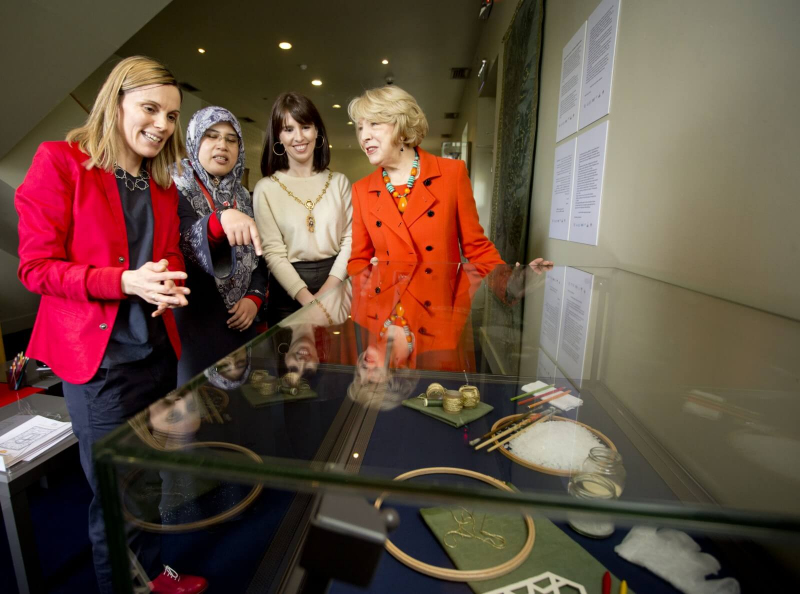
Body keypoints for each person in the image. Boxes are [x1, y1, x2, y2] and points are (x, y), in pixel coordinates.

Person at [15, 56, 206, 594]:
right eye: (150, 109)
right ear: (116, 101)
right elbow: (35, 269)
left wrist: (167, 281)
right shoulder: (60, 162)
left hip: (155, 354)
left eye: (171, 115)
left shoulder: (162, 183)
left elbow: (167, 254)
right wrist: (124, 282)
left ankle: (150, 573)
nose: (162, 125)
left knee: (148, 480)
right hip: (97, 366)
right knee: (118, 494)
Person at [346, 85, 553, 277]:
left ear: (402, 127)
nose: (364, 136)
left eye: (374, 124)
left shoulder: (451, 174)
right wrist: (369, 275)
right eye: (360, 128)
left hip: (440, 309)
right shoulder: (361, 189)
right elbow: (358, 260)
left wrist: (511, 281)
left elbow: (477, 248)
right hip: (387, 312)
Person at [172, 106, 269, 384]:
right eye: (211, 136)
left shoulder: (242, 195)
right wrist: (221, 219)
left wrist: (254, 297)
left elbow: (258, 256)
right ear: (193, 140)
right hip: (194, 321)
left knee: (242, 411)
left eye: (231, 139)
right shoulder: (173, 186)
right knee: (198, 407)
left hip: (241, 320)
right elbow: (185, 244)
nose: (221, 145)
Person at [253, 92, 352, 328]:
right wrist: (308, 301)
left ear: (317, 131)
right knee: (290, 364)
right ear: (278, 136)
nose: (299, 137)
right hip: (287, 292)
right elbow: (273, 253)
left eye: (305, 127)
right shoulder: (265, 188)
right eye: (288, 129)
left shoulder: (339, 182)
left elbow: (351, 239)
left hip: (336, 282)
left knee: (333, 362)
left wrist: (327, 292)